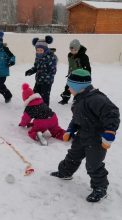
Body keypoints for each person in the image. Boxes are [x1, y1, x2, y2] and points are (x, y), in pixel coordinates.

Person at [51, 69, 120, 202]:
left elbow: (112, 113)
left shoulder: (97, 99)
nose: (69, 89)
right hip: (82, 134)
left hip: (96, 139)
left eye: (70, 86)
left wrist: (109, 134)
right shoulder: (79, 99)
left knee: (93, 164)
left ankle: (100, 188)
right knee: (73, 155)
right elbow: (77, 118)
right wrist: (70, 130)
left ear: (79, 86)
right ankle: (65, 172)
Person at [25, 36, 57, 106]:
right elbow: (36, 67)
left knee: (45, 96)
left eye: (41, 50)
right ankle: (35, 106)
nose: (39, 52)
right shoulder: (38, 57)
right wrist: (31, 71)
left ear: (45, 50)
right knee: (35, 94)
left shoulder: (51, 57)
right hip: (39, 80)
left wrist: (47, 71)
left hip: (47, 81)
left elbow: (53, 70)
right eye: (37, 50)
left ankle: (45, 110)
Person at [58, 39, 91, 105]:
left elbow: (87, 67)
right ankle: (65, 99)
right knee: (68, 87)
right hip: (72, 74)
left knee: (80, 89)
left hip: (81, 76)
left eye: (75, 50)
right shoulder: (70, 55)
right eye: (71, 50)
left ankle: (81, 101)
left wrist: (88, 75)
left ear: (78, 49)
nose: (73, 51)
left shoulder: (83, 56)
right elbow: (71, 65)